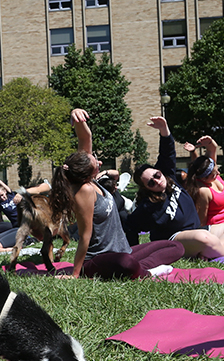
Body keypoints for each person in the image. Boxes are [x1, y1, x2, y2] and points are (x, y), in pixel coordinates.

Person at [49, 109, 185, 279]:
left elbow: (85, 138)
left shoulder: (91, 182)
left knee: (175, 247)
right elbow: (84, 236)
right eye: (96, 163)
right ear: (87, 172)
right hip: (98, 259)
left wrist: (77, 118)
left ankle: (139, 268)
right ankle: (147, 273)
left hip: (122, 252)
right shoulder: (84, 190)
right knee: (125, 263)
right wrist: (75, 274)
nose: (99, 162)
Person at [126, 117, 224, 260]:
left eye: (157, 175)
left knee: (209, 235)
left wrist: (164, 130)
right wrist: (133, 253)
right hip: (173, 240)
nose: (157, 181)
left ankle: (205, 251)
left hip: (197, 231)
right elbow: (129, 225)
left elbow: (168, 152)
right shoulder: (149, 205)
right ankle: (207, 250)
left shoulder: (169, 177)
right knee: (205, 239)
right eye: (151, 183)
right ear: (147, 188)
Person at [184, 136, 224, 238]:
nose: (218, 173)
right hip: (217, 228)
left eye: (217, 169)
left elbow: (212, 149)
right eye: (214, 174)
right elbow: (202, 221)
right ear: (203, 178)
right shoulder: (203, 191)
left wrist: (209, 142)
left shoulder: (213, 176)